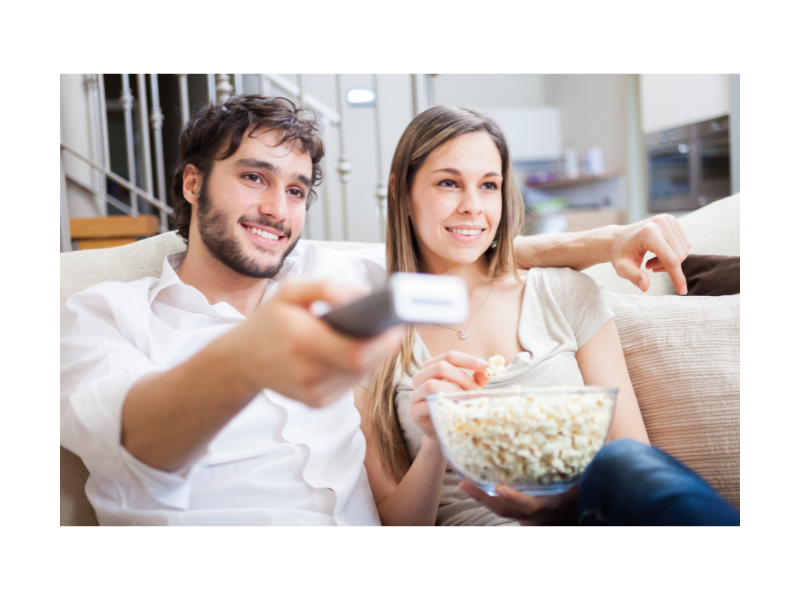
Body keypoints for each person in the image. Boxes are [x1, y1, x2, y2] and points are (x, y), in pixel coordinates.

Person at [61, 95, 697, 526]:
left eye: (296, 190)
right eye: (253, 178)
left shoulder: (336, 277)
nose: (276, 210)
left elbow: (464, 252)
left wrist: (605, 241)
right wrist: (247, 358)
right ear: (193, 183)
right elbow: (136, 438)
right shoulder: (101, 315)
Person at [356, 104, 738, 526]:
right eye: (449, 182)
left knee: (623, 462)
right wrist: (436, 442)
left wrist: (562, 503)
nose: (472, 205)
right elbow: (395, 528)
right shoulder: (369, 334)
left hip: (591, 526)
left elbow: (632, 461)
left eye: (488, 185)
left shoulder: (564, 293)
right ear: (400, 192)